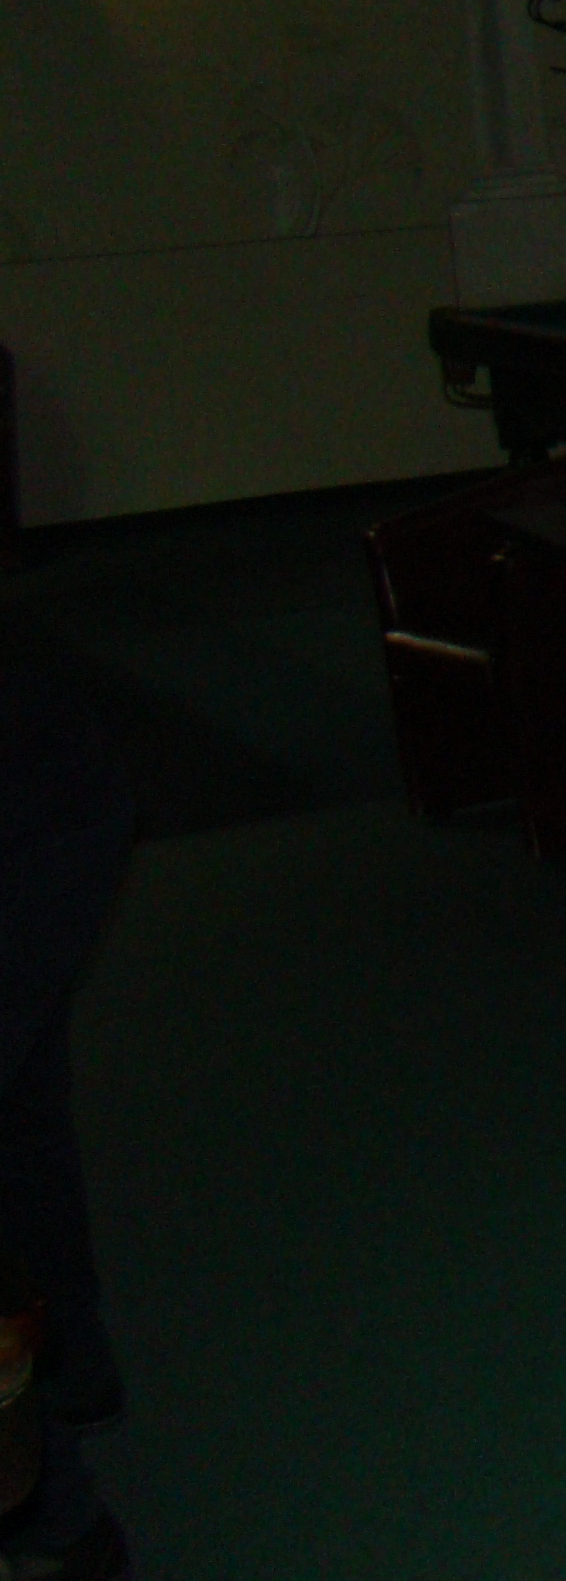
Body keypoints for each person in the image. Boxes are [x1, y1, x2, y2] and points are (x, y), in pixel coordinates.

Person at [0, 659, 136, 1581]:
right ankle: (73, 1370)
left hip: (39, 810)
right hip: (47, 800)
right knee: (21, 1125)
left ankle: (53, 1510)